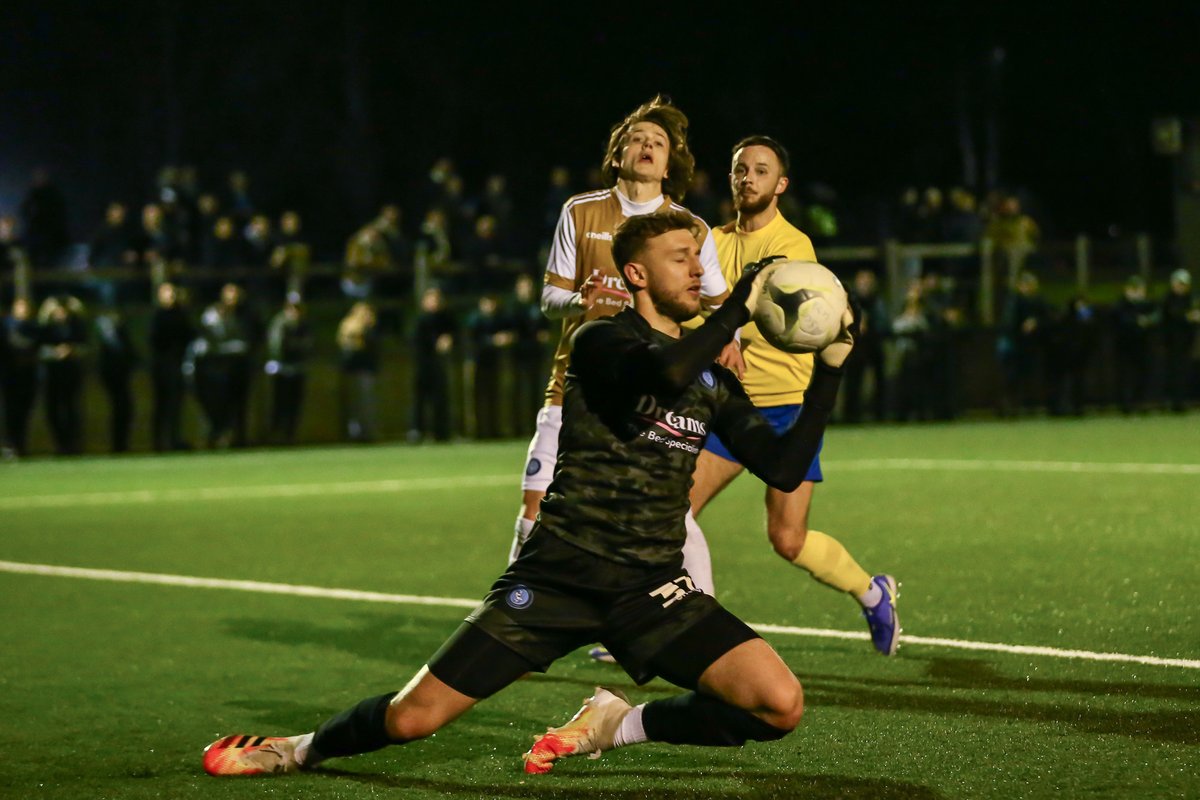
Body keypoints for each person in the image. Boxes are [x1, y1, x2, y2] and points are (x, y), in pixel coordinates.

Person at [202, 210, 854, 780]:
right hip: (558, 577)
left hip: (651, 587)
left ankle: (617, 724)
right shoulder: (601, 340)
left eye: (698, 258)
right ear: (634, 274)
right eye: (680, 257)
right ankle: (298, 749)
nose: (696, 269)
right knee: (412, 719)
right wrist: (736, 308)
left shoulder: (714, 376)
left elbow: (784, 467)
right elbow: (662, 370)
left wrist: (828, 372)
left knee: (779, 703)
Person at [681, 136, 897, 656]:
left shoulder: (792, 247)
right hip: (724, 407)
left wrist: (721, 330)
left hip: (785, 407)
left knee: (788, 540)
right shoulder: (709, 240)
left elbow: (775, 320)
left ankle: (873, 593)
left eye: (760, 170)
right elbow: (692, 307)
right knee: (669, 513)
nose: (747, 178)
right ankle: (664, 620)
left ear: (780, 185)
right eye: (740, 169)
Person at [510, 94, 729, 564]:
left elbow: (717, 305)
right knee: (534, 513)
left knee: (669, 518)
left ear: (670, 165)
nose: (648, 146)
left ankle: (688, 624)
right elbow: (550, 299)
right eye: (637, 139)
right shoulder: (581, 212)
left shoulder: (690, 228)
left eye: (659, 143)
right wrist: (579, 300)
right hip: (576, 389)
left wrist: (726, 339)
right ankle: (512, 617)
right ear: (617, 156)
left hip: (655, 394)